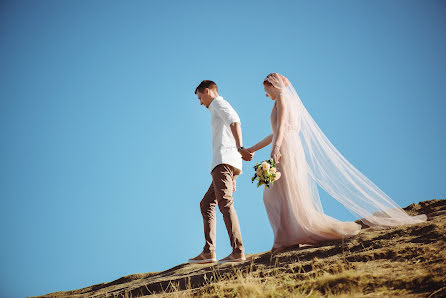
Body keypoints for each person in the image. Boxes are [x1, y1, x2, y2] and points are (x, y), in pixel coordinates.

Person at [247, 73, 426, 252]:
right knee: (284, 192)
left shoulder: (282, 98)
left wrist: (276, 148)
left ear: (272, 85)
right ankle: (289, 236)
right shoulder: (289, 101)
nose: (265, 94)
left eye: (266, 89)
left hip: (285, 148)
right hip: (291, 146)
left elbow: (282, 128)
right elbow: (277, 131)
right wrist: (253, 149)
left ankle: (287, 237)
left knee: (277, 193)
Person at [189, 80, 253, 264]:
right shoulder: (216, 107)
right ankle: (209, 252)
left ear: (207, 91)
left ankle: (238, 250)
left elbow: (235, 120)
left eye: (200, 98)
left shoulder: (218, 103)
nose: (200, 103)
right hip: (225, 163)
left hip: (223, 162)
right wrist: (234, 175)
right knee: (206, 203)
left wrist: (240, 147)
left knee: (224, 204)